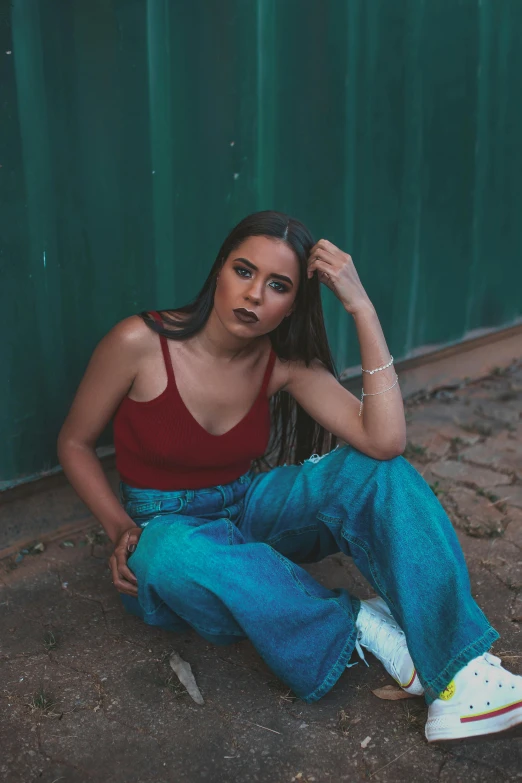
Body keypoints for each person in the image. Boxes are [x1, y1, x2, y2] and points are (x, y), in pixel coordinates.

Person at [58, 210, 522, 743]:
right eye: (244, 271)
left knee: (376, 473)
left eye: (277, 286)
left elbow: (384, 440)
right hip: (163, 527)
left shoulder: (282, 363)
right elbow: (73, 443)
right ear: (219, 272)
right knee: (169, 556)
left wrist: (362, 307)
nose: (255, 295)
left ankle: (459, 673)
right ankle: (354, 624)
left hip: (245, 506)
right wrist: (120, 529)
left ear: (292, 304)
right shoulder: (139, 342)